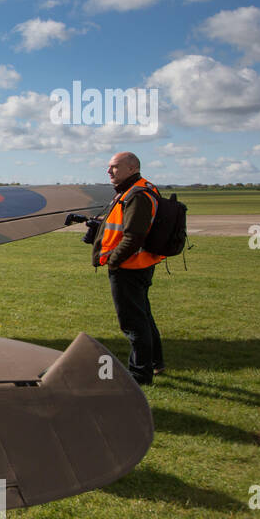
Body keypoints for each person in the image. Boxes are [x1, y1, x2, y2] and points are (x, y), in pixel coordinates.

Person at [92, 151, 165, 385]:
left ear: (132, 168)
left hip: (129, 267)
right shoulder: (136, 190)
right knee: (143, 315)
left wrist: (114, 260)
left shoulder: (137, 194)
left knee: (133, 322)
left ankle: (139, 375)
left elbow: (134, 235)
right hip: (138, 265)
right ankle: (155, 363)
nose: (109, 171)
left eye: (114, 166)